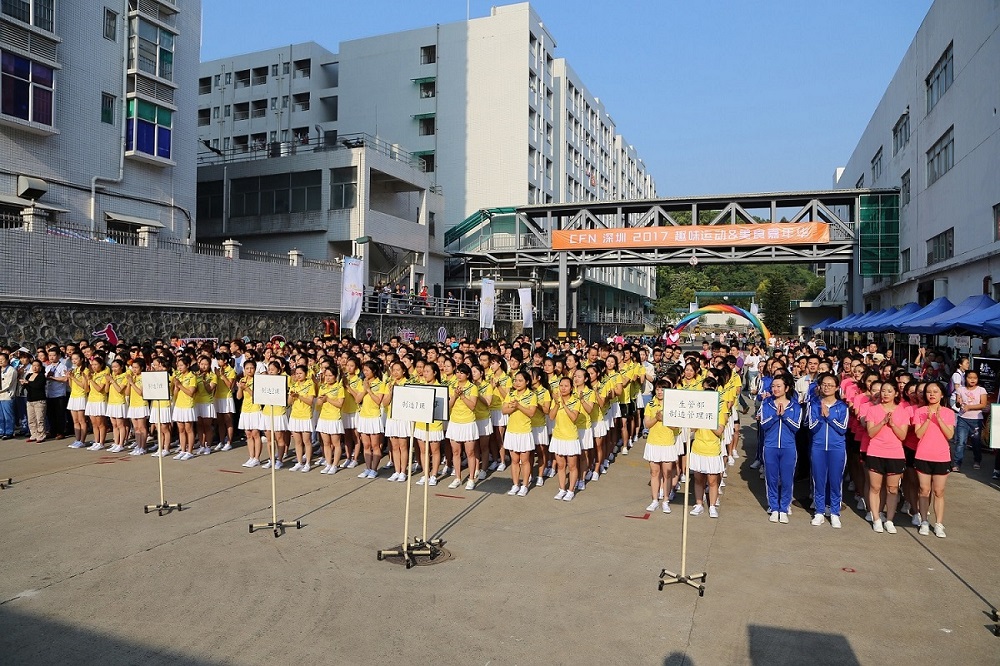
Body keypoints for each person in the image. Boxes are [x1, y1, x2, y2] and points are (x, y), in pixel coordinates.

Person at [864, 381, 910, 534]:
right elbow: (870, 433)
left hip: (895, 454)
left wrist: (892, 424)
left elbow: (902, 436)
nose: (885, 394)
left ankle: (889, 519)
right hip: (875, 452)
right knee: (875, 487)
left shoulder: (902, 411)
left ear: (896, 393)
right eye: (883, 390)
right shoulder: (873, 410)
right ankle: (876, 518)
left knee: (892, 489)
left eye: (889, 391)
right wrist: (883, 422)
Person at [912, 381, 955, 538]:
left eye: (935, 391)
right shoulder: (920, 412)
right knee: (924, 490)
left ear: (942, 394)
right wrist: (929, 419)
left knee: (939, 491)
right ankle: (924, 521)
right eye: (929, 392)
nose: (931, 394)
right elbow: (918, 434)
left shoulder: (949, 413)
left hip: (942, 456)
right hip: (923, 455)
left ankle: (939, 524)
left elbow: (949, 435)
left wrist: (938, 418)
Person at [807, 372, 848, 528]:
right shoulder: (814, 404)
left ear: (837, 387)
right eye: (824, 384)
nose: (827, 387)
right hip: (818, 447)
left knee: (835, 480)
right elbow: (811, 427)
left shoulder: (842, 406)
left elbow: (843, 429)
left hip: (836, 448)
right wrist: (821, 417)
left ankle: (835, 512)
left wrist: (829, 416)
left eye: (831, 385)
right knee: (818, 479)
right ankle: (819, 511)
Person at [759, 372, 801, 523]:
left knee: (787, 478)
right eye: (773, 386)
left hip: (788, 447)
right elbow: (764, 425)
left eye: (779, 386)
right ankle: (774, 507)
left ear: (786, 387)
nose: (775, 389)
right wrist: (776, 416)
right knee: (771, 478)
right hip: (770, 446)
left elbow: (796, 427)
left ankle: (784, 507)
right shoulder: (767, 404)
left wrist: (784, 416)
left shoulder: (795, 406)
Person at [688, 376, 726, 518]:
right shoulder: (698, 410)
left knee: (712, 480)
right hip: (698, 448)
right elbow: (692, 428)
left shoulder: (719, 411)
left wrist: (709, 418)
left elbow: (719, 431)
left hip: (712, 450)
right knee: (698, 478)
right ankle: (699, 504)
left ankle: (712, 506)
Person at [643, 379, 678, 513]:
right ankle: (654, 500)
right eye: (657, 389)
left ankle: (665, 500)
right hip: (653, 442)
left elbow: (675, 426)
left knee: (667, 473)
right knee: (654, 472)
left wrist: (664, 419)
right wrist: (656, 418)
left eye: (662, 389)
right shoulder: (651, 404)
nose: (659, 392)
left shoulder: (673, 405)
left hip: (667, 443)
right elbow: (647, 424)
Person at [502, 369, 537, 496]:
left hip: (524, 431)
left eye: (520, 380)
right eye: (516, 380)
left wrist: (518, 406)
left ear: (527, 382)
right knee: (514, 460)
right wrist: (512, 407)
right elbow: (504, 410)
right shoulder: (511, 394)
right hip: (512, 431)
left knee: (525, 460)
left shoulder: (532, 395)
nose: (517, 383)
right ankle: (515, 484)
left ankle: (525, 485)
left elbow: (531, 413)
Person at [445, 363, 480, 490]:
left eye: (462, 372)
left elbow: (472, 406)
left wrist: (463, 396)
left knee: (470, 452)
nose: (459, 375)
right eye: (457, 372)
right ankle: (457, 478)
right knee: (456, 452)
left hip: (468, 422)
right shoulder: (452, 386)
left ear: (468, 375)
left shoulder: (472, 387)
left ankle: (471, 479)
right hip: (455, 422)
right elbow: (448, 406)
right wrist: (454, 395)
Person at [549, 376, 582, 501]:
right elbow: (551, 416)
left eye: (566, 386)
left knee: (572, 466)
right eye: (561, 385)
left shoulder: (576, 401)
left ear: (571, 388)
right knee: (560, 466)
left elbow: (574, 417)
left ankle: (571, 490)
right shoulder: (556, 401)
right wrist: (558, 404)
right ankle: (562, 489)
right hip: (558, 437)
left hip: (571, 437)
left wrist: (564, 404)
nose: (563, 388)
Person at [951, 369, 988, 471]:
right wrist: (958, 403)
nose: (972, 380)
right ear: (965, 378)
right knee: (961, 441)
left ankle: (977, 460)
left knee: (976, 442)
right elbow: (958, 403)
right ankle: (957, 463)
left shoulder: (981, 390)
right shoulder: (961, 390)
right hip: (963, 418)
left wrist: (970, 407)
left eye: (975, 378)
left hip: (976, 419)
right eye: (970, 377)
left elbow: (983, 404)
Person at [287, 364, 317, 472]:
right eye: (297, 374)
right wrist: (291, 395)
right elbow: (288, 403)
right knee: (297, 442)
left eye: (301, 373)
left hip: (305, 416)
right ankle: (299, 462)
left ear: (306, 374)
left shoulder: (310, 385)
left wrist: (299, 396)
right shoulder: (294, 385)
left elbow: (310, 401)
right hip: (295, 416)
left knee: (306, 441)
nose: (298, 376)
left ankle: (308, 463)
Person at [236, 361, 263, 467]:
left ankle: (257, 458)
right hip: (245, 409)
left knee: (256, 434)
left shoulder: (257, 380)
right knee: (248, 434)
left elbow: (257, 396)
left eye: (251, 368)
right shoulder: (243, 380)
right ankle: (251, 457)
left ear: (255, 369)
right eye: (247, 368)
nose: (249, 370)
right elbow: (238, 397)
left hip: (255, 408)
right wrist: (240, 388)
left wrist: (246, 388)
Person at [21, 359, 47, 442]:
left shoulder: (41, 376)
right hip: (30, 400)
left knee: (40, 419)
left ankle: (41, 434)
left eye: (37, 366)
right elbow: (27, 387)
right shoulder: (28, 375)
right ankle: (34, 434)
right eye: (33, 366)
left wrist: (28, 383)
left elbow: (38, 386)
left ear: (40, 367)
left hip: (39, 400)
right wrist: (24, 383)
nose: (35, 367)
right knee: (31, 419)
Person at [0, 352, 17, 440]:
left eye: (2, 360)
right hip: (0, 396)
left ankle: (9, 432)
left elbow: (8, 384)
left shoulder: (11, 370)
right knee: (1, 416)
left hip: (7, 395)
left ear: (7, 360)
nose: (0, 361)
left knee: (8, 415)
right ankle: (1, 431)